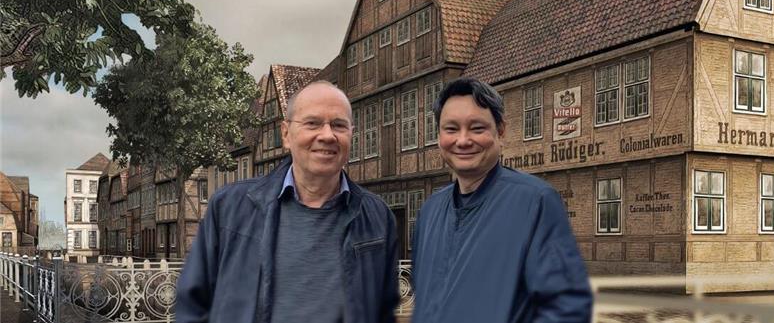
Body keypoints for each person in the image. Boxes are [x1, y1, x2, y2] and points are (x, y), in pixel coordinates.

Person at [176, 81, 399, 323]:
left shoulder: (378, 216)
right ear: (286, 135)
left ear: (351, 134)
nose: (327, 135)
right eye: (312, 123)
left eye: (339, 125)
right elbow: (192, 305)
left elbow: (384, 311)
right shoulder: (229, 208)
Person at [411, 78, 593, 323]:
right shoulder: (429, 212)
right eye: (451, 129)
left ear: (501, 130)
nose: (463, 140)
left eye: (477, 128)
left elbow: (567, 308)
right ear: (439, 136)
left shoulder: (534, 202)